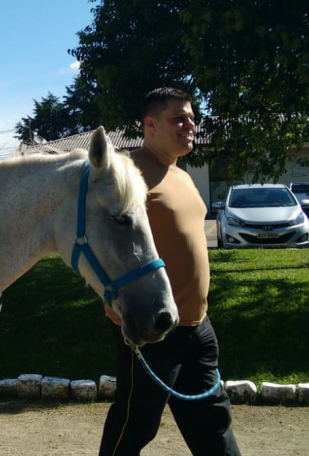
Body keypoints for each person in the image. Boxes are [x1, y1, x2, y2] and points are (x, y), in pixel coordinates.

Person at [99, 87, 241, 456]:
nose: (190, 124)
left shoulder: (181, 174)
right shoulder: (126, 172)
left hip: (198, 327)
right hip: (152, 329)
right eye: (178, 118)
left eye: (192, 117)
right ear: (150, 125)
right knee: (135, 424)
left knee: (213, 423)